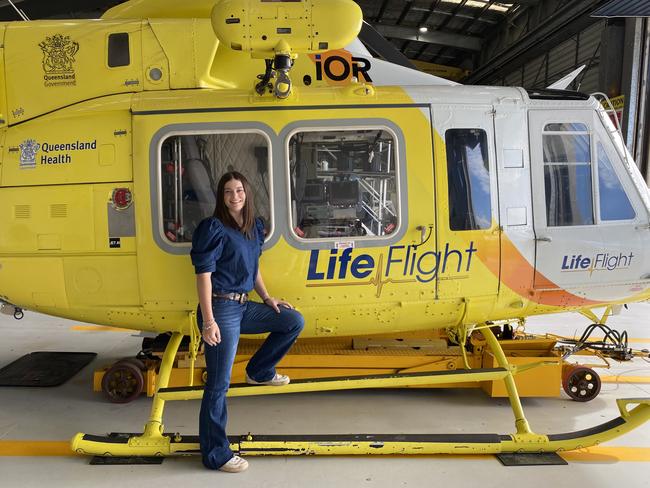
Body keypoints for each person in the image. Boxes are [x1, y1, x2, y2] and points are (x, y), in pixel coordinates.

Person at [190, 171, 304, 473]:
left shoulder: (255, 226)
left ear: (247, 193)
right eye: (228, 191)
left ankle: (259, 370)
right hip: (221, 308)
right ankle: (215, 454)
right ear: (221, 196)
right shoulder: (212, 228)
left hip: (244, 306)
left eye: (239, 190)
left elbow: (253, 269)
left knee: (292, 321)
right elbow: (203, 277)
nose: (234, 196)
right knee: (218, 384)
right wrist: (209, 322)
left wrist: (268, 299)